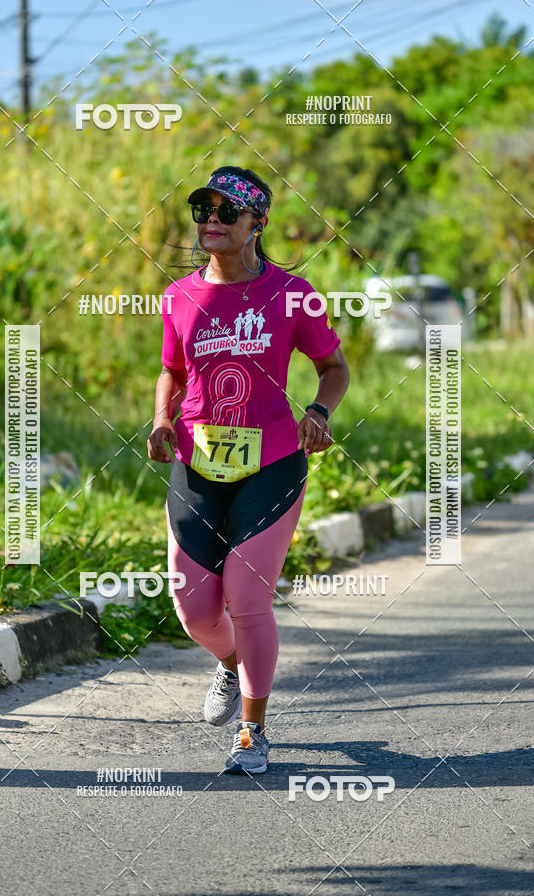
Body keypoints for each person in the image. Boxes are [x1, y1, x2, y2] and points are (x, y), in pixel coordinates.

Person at [147, 166, 349, 774]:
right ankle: (230, 665)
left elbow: (333, 367)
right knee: (193, 608)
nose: (211, 220)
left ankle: (252, 732)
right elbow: (173, 371)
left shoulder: (293, 292)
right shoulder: (178, 296)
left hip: (274, 463)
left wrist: (318, 411)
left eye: (225, 211)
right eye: (202, 209)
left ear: (256, 223)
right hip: (197, 460)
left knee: (247, 597)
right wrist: (161, 418)